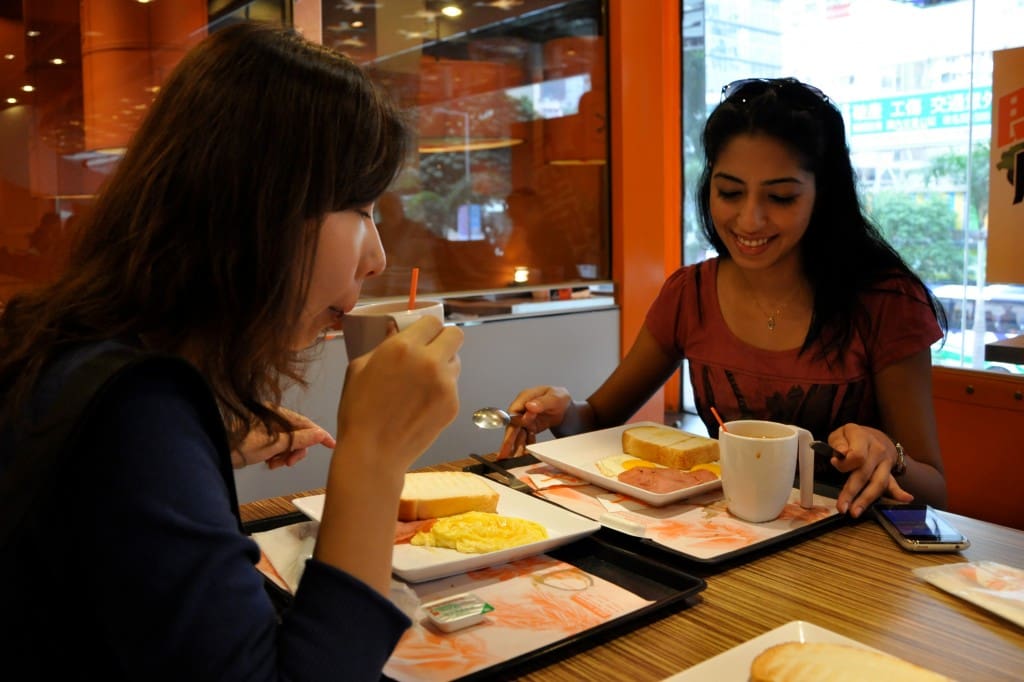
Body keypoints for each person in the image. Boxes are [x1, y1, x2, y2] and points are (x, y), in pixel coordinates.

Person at [0, 22, 463, 680]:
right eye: (360, 207)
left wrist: (200, 447)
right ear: (262, 209)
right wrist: (374, 456)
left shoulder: (67, 347)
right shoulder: (132, 412)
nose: (378, 256)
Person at [498, 77, 947, 520]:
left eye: (781, 197)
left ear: (822, 195)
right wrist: (557, 407)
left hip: (850, 555)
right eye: (730, 192)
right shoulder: (689, 293)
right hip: (727, 540)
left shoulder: (886, 300)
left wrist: (891, 454)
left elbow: (937, 490)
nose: (749, 220)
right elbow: (597, 418)